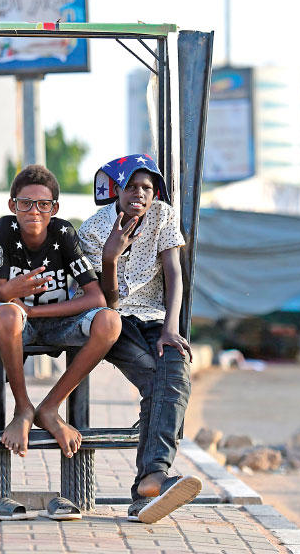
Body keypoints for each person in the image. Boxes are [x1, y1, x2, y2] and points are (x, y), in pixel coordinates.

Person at [78, 154, 202, 523]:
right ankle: (150, 481)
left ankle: (150, 483)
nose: (140, 194)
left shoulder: (163, 215)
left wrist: (171, 327)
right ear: (116, 189)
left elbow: (174, 273)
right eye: (131, 186)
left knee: (176, 373)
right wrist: (111, 257)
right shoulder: (93, 230)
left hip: (156, 318)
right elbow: (105, 301)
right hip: (111, 319)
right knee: (156, 382)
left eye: (147, 187)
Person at [0, 164, 121, 458]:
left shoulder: (63, 233)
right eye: (25, 203)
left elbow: (96, 297)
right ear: (12, 205)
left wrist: (33, 311)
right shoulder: (4, 230)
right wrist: (13, 291)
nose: (34, 211)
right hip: (17, 325)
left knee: (110, 322)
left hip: (58, 322)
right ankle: (23, 408)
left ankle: (49, 407)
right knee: (8, 314)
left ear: (54, 208)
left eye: (43, 204)